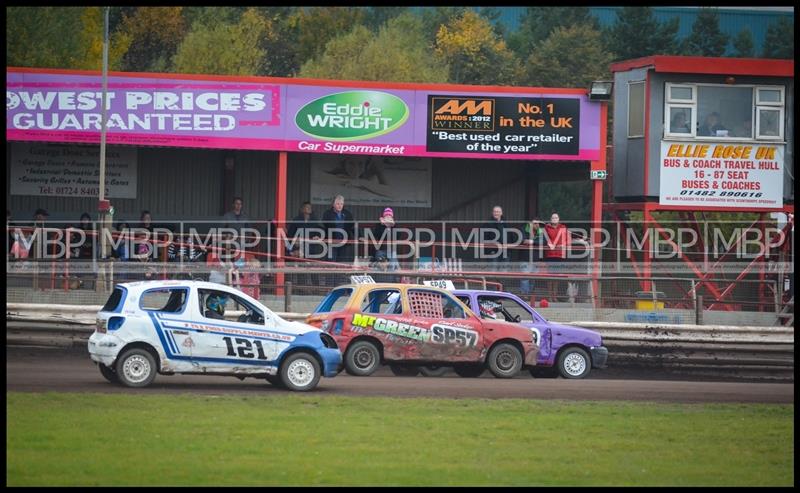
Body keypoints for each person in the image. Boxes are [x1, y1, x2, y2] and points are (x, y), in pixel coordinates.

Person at [321, 195, 355, 264]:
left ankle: (340, 275)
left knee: (342, 262)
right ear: (333, 204)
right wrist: (318, 235)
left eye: (341, 204)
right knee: (331, 262)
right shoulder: (327, 214)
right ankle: (330, 275)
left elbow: (352, 227)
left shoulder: (347, 214)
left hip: (344, 242)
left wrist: (360, 236)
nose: (340, 206)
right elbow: (323, 226)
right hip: (332, 242)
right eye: (338, 204)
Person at [481, 205, 512, 270]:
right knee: (493, 271)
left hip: (505, 251)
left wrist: (509, 244)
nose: (496, 213)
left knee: (504, 272)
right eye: (495, 211)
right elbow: (483, 238)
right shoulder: (487, 224)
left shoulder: (506, 223)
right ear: (492, 213)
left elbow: (511, 236)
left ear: (501, 213)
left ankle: (502, 280)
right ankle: (493, 280)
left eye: (498, 212)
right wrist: (494, 243)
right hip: (493, 252)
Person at [520, 218, 545, 296]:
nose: (537, 225)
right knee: (525, 278)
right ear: (530, 224)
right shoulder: (523, 229)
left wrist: (532, 242)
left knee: (533, 279)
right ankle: (524, 295)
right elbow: (522, 240)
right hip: (525, 258)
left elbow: (544, 242)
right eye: (535, 223)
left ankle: (531, 296)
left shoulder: (541, 231)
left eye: (538, 223)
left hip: (536, 259)